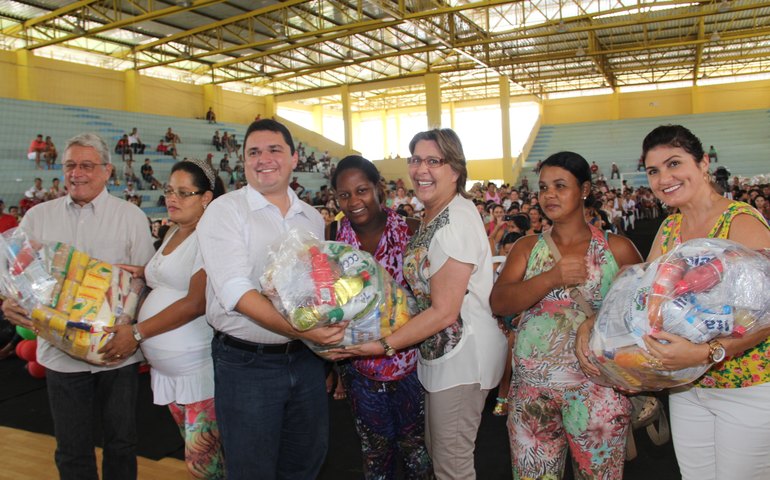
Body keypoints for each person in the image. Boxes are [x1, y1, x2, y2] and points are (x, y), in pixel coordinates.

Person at [331, 128, 507, 479]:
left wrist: (380, 345)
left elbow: (444, 311)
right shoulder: (434, 214)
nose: (421, 169)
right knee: (441, 458)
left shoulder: (454, 220)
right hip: (441, 358)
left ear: (455, 169)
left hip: (463, 359)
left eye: (433, 161)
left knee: (452, 467)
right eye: (415, 159)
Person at [196, 119, 346, 479]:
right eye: (254, 152)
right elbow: (235, 291)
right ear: (243, 161)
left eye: (274, 150)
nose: (264, 159)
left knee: (305, 462)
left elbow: (315, 290)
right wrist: (305, 332)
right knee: (251, 469)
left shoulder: (311, 217)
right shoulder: (224, 211)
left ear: (294, 158)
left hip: (306, 363)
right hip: (247, 364)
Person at [1, 132, 155, 480]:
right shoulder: (38, 218)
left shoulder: (130, 216)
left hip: (117, 355)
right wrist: (10, 301)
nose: (77, 173)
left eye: (87, 165)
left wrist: (132, 334)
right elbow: (15, 276)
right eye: (70, 165)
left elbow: (146, 283)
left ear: (106, 171)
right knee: (71, 449)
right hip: (60, 357)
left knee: (122, 443)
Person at [490, 151, 642, 480]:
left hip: (598, 392)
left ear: (584, 189)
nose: (549, 195)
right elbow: (499, 302)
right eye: (543, 187)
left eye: (560, 185)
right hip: (532, 395)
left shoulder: (617, 249)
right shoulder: (527, 248)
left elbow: (641, 318)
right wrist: (551, 278)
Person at [636, 125, 770, 480]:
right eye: (653, 171)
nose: (664, 178)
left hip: (748, 388)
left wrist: (710, 353)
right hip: (689, 387)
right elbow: (641, 295)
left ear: (704, 163)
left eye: (674, 163)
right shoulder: (668, 229)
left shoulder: (739, 221)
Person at [99, 159, 226, 479]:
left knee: (205, 464)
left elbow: (195, 302)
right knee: (203, 461)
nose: (172, 198)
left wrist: (137, 332)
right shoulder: (174, 231)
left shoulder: (210, 236)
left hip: (198, 371)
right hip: (171, 370)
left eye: (185, 193)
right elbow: (172, 277)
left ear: (206, 198)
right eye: (169, 190)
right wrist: (142, 273)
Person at [328, 155, 433, 479]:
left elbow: (430, 299)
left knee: (416, 449)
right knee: (374, 451)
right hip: (359, 367)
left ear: (379, 190)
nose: (354, 201)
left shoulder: (412, 230)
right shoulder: (332, 235)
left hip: (410, 361)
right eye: (344, 195)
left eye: (361, 190)